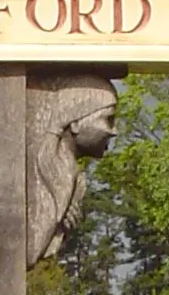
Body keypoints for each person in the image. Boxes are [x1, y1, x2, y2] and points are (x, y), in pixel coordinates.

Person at [26, 74, 118, 265]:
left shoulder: (69, 173)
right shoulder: (49, 169)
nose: (114, 131)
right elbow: (28, 252)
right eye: (108, 119)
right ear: (75, 122)